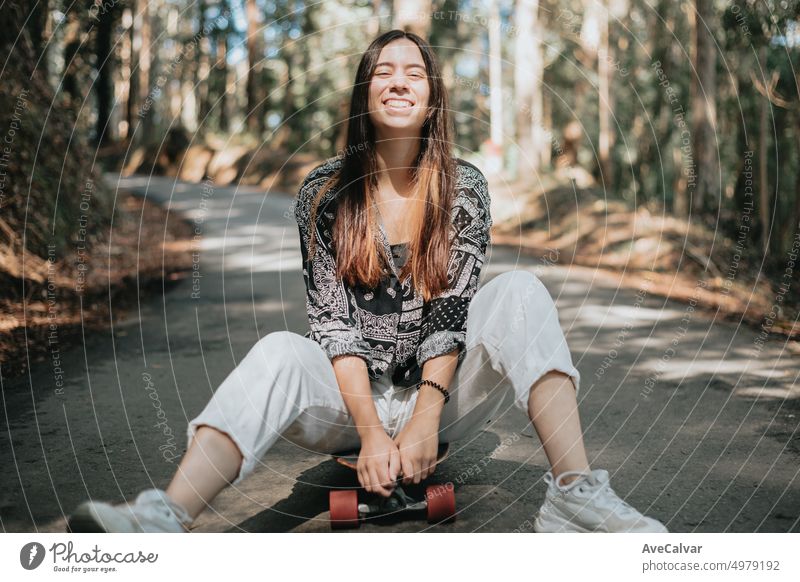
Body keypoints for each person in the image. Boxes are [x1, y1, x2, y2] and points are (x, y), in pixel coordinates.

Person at [67, 29, 667, 534]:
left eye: (415, 73)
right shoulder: (323, 193)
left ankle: (573, 496)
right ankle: (165, 517)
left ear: (432, 98)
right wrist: (373, 434)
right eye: (384, 71)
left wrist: (426, 419)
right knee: (278, 351)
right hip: (346, 404)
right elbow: (333, 327)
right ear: (365, 93)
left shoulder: (465, 188)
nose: (399, 81)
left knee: (521, 293)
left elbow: (451, 315)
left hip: (448, 396)